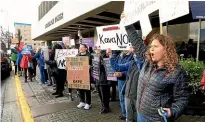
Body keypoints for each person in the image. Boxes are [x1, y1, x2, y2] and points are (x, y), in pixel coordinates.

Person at [124, 22, 189, 121]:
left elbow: (182, 99)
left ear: (166, 50)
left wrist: (172, 111)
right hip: (141, 114)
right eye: (151, 46)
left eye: (155, 46)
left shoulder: (176, 72)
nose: (151, 49)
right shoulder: (148, 62)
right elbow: (137, 43)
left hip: (156, 119)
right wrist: (127, 24)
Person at [108, 46, 143, 122]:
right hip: (128, 94)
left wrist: (135, 54)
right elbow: (117, 67)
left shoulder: (144, 65)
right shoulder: (131, 63)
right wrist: (110, 55)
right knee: (129, 118)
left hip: (138, 96)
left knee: (138, 117)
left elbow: (140, 66)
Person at [110, 49, 134, 120]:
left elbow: (133, 70)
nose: (124, 49)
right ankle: (124, 114)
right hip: (120, 81)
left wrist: (122, 73)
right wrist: (111, 56)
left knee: (127, 99)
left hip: (128, 80)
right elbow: (117, 66)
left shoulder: (133, 56)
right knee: (121, 98)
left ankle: (129, 116)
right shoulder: (120, 55)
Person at [77, 44, 93, 110]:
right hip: (79, 75)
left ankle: (88, 103)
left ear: (86, 48)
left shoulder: (90, 56)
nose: (80, 48)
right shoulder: (77, 55)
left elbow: (94, 64)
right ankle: (82, 101)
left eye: (82, 47)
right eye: (80, 47)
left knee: (87, 89)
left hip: (87, 75)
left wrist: (90, 66)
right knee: (80, 88)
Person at [95, 48, 111, 114]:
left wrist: (100, 57)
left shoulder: (104, 56)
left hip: (104, 80)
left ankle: (106, 107)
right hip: (98, 79)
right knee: (101, 95)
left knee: (105, 95)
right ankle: (104, 106)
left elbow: (104, 66)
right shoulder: (96, 56)